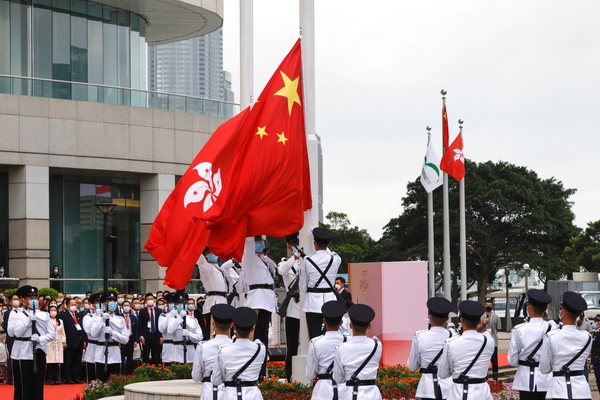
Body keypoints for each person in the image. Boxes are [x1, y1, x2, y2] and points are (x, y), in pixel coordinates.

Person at [540, 291, 593, 400]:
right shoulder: (587, 337)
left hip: (558, 391)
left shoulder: (551, 337)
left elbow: (544, 369)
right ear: (579, 315)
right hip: (581, 391)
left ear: (562, 312)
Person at [438, 300, 494, 400]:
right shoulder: (489, 340)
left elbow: (442, 374)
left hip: (458, 393)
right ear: (479, 321)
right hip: (482, 393)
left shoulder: (451, 343)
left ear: (461, 320)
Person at [7, 285, 56, 400]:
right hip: (22, 352)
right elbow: (15, 333)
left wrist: (40, 339)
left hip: (39, 350)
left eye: (35, 297)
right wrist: (28, 320)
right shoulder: (16, 314)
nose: (33, 300)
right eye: (29, 297)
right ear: (22, 300)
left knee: (38, 384)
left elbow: (52, 334)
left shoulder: (44, 314)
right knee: (23, 385)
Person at [507, 289, 554, 400]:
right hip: (547, 379)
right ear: (545, 309)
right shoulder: (554, 329)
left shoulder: (518, 330)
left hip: (525, 379)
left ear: (529, 308)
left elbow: (512, 361)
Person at [212, 306, 268, 400]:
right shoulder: (260, 348)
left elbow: (216, 380)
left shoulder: (224, 350)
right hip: (253, 394)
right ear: (252, 329)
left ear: (234, 327)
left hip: (231, 394)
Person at [407, 297, 455, 400]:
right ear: (447, 318)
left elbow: (412, 366)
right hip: (450, 388)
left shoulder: (419, 336)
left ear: (429, 317)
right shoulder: (454, 336)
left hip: (427, 389)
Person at [333, 304, 382, 400]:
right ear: (369, 326)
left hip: (350, 394)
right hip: (373, 394)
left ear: (350, 326)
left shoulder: (341, 348)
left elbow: (338, 378)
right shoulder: (377, 345)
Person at [300, 227, 342, 339]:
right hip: (331, 301)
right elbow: (330, 252)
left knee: (315, 337)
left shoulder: (307, 261)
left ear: (314, 243)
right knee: (332, 335)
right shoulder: (336, 259)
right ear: (329, 244)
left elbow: (302, 286)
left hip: (312, 303)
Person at [192, 304, 235, 400]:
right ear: (232, 325)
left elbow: (196, 377)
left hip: (209, 390)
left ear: (213, 324)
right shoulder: (235, 346)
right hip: (231, 391)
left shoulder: (203, 346)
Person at [307, 300, 348, 400]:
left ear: (324, 321)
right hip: (345, 388)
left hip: (323, 390)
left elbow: (310, 374)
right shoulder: (349, 341)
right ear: (341, 323)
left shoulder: (315, 343)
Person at [242, 236, 277, 347]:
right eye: (257, 240)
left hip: (267, 299)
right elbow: (248, 244)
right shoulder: (249, 257)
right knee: (256, 334)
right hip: (257, 299)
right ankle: (255, 359)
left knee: (264, 333)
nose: (261, 242)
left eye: (261, 240)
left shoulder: (266, 260)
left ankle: (263, 360)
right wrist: (251, 233)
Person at [277, 232, 302, 382]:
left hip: (306, 309)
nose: (295, 246)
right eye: (293, 244)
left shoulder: (307, 262)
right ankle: (290, 374)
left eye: (297, 243)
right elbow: (281, 271)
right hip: (292, 309)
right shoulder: (285, 262)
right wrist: (294, 257)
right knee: (292, 345)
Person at [92, 292, 128, 382]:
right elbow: (93, 333)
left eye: (114, 301)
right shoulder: (97, 318)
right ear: (104, 304)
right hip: (101, 352)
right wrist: (102, 320)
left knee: (114, 381)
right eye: (109, 301)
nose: (112, 303)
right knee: (101, 381)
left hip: (114, 352)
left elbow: (125, 339)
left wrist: (113, 333)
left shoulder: (120, 319)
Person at [198, 248, 229, 339]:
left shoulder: (219, 269)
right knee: (212, 332)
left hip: (223, 300)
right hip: (213, 301)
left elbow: (226, 266)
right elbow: (200, 260)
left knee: (224, 331)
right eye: (209, 252)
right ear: (205, 256)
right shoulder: (206, 267)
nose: (213, 254)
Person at [165, 292, 203, 364]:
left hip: (191, 353)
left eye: (183, 304)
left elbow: (199, 337)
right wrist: (180, 318)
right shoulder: (172, 319)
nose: (181, 306)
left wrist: (189, 334)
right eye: (178, 304)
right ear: (175, 306)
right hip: (177, 353)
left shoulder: (193, 320)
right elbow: (170, 331)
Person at [58, 298, 86, 383]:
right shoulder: (62, 315)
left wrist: (84, 340)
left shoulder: (80, 314)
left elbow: (83, 328)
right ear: (67, 305)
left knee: (77, 361)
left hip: (79, 341)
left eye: (75, 304)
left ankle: (76, 377)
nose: (74, 306)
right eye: (72, 305)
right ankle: (68, 378)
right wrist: (64, 342)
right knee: (68, 361)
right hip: (69, 342)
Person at [82, 292, 102, 382]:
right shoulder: (87, 317)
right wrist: (97, 317)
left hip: (103, 346)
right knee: (92, 372)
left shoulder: (104, 316)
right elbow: (89, 331)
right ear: (91, 305)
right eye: (97, 303)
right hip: (93, 345)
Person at [138, 293, 163, 364]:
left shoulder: (159, 311)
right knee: (146, 354)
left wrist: (161, 336)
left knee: (156, 354)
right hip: (147, 335)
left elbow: (161, 324)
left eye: (151, 299)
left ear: (154, 300)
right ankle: (145, 369)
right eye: (148, 299)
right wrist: (141, 336)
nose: (150, 301)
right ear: (145, 301)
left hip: (156, 335)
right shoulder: (142, 311)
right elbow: (140, 325)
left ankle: (156, 369)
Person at [480, 299, 502, 380]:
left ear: (492, 306)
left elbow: (499, 329)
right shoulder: (481, 316)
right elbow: (478, 328)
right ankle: (484, 375)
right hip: (483, 341)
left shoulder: (496, 317)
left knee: (494, 359)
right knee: (484, 359)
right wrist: (484, 323)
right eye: (487, 305)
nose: (488, 307)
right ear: (484, 306)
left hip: (493, 340)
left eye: (490, 306)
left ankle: (495, 376)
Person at [3, 293, 21, 385]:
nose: (16, 301)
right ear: (10, 301)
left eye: (17, 299)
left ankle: (21, 378)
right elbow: (6, 327)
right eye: (14, 299)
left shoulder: (23, 311)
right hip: (11, 339)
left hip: (22, 339)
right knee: (12, 358)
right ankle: (11, 378)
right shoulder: (7, 313)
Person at [46, 305, 66, 385]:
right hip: (49, 343)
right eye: (51, 310)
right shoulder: (47, 321)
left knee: (57, 361)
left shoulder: (60, 321)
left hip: (58, 342)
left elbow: (63, 332)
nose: (53, 311)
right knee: (50, 361)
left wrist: (64, 343)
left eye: (55, 310)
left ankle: (57, 378)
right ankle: (51, 378)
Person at [120, 299, 139, 375]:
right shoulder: (119, 317)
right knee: (121, 356)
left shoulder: (133, 317)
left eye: (128, 305)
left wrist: (135, 340)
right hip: (121, 339)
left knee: (130, 356)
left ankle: (129, 371)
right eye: (125, 305)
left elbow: (136, 330)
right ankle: (122, 371)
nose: (126, 307)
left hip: (130, 339)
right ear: (122, 307)